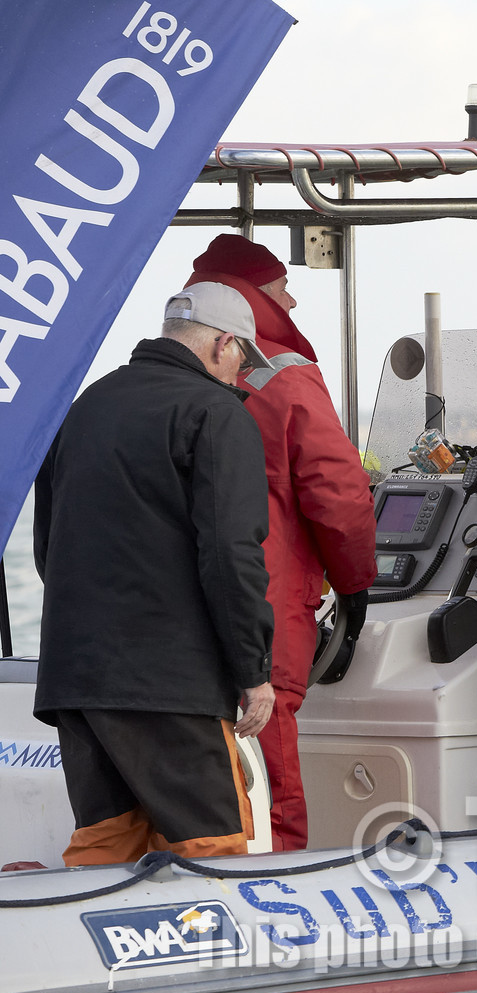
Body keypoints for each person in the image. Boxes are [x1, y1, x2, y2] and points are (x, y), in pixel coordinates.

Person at [33, 283, 276, 865]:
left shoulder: (85, 405)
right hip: (172, 683)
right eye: (243, 354)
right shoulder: (216, 413)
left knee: (104, 845)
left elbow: (49, 548)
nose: (242, 371)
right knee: (212, 848)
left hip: (78, 676)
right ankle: (222, 958)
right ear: (222, 343)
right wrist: (252, 670)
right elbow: (229, 553)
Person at [187, 235, 378, 851]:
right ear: (254, 295)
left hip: (174, 624)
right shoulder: (287, 376)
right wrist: (356, 585)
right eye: (282, 287)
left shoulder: (169, 369)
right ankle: (283, 918)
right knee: (268, 782)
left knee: (198, 787)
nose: (293, 300)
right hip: (265, 610)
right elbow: (339, 495)